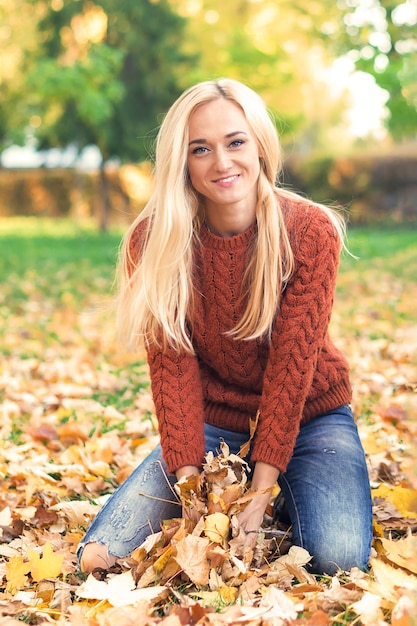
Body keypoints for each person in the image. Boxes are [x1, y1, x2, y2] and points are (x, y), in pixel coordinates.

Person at [78, 78, 373, 576]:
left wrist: (258, 496)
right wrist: (194, 495)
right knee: (99, 559)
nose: (222, 162)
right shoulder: (154, 243)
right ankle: (263, 494)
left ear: (259, 144)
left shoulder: (309, 231)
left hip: (310, 419)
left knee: (338, 558)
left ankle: (285, 499)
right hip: (214, 425)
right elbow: (172, 370)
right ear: (182, 162)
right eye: (201, 149)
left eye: (235, 142)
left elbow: (289, 372)